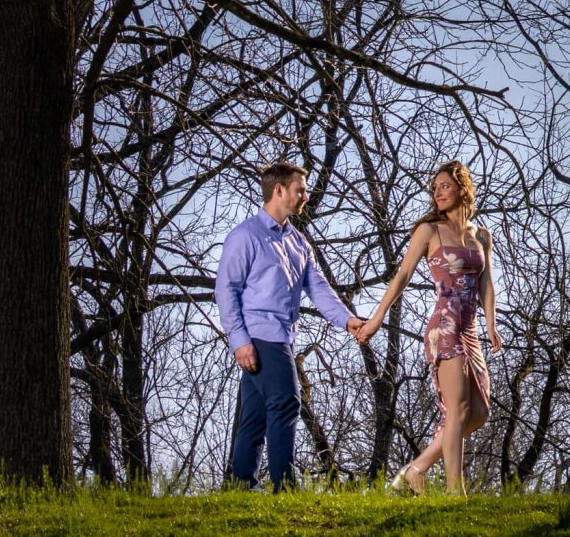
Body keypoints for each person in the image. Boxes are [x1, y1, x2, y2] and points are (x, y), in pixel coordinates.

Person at [352, 160, 503, 494]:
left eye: (444, 186)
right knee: (459, 409)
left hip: (471, 329)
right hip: (444, 326)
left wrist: (491, 323)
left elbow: (487, 282)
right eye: (434, 188)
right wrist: (375, 320)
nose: (437, 192)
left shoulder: (482, 235)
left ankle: (417, 468)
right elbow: (402, 276)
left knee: (478, 413)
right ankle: (454, 492)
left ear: (462, 188)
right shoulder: (429, 230)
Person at [214, 160, 361, 490]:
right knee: (286, 402)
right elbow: (226, 290)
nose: (305, 196)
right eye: (300, 190)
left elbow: (319, 288)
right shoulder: (244, 236)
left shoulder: (298, 242)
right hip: (261, 335)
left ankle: (240, 487)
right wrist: (239, 341)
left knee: (254, 418)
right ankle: (285, 487)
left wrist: (347, 320)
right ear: (279, 190)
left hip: (283, 336)